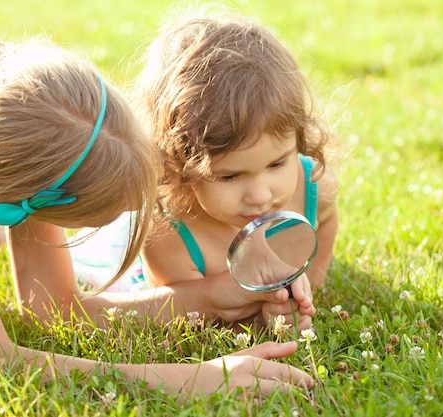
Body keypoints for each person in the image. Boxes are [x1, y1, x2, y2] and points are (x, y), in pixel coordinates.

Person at [0, 32, 314, 396]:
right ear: (22, 205)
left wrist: (213, 296)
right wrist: (189, 378)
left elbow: (51, 308)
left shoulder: (24, 95)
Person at [134, 10, 339, 330]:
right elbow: (187, 312)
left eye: (277, 163)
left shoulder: (314, 187)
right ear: (177, 167)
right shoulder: (167, 234)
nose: (260, 196)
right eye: (228, 176)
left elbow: (325, 222)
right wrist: (257, 319)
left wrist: (310, 285)